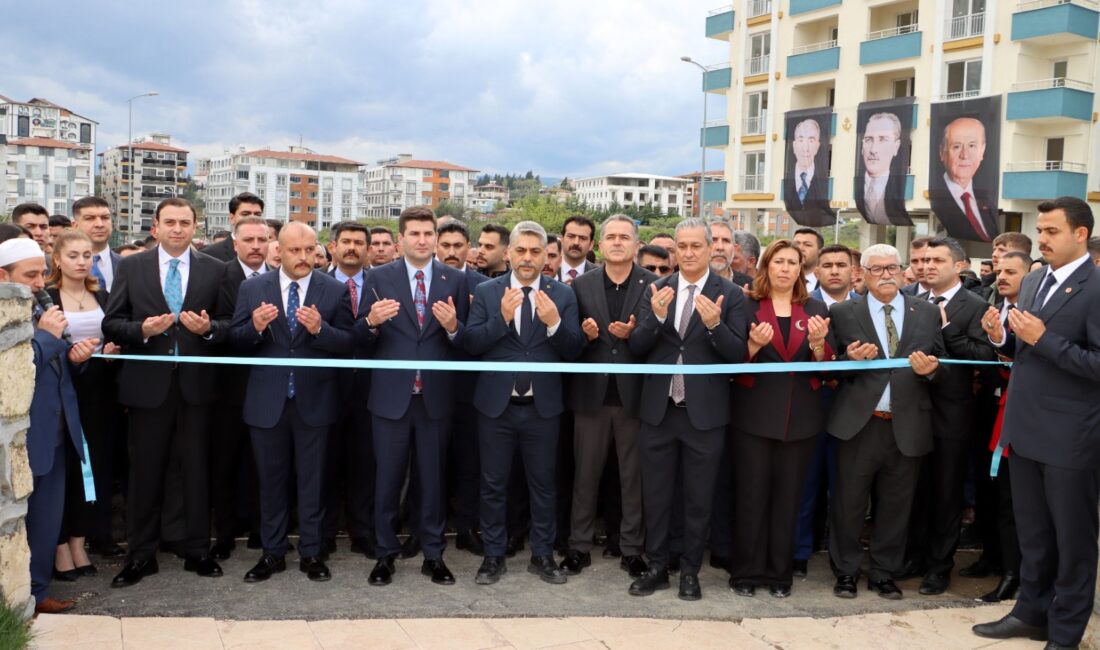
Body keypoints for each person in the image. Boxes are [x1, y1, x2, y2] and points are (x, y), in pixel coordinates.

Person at [974, 197, 1100, 648]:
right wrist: (1001, 338)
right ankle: (1031, 612)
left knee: (1073, 541)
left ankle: (1065, 633)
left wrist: (1042, 340)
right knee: (1034, 534)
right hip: (1024, 431)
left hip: (1071, 439)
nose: (1041, 239)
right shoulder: (1034, 281)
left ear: (1080, 233)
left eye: (1051, 231)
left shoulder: (1096, 286)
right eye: (1040, 230)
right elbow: (1023, 352)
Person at [103, 198, 231, 588]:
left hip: (196, 387)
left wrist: (206, 330)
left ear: (196, 227)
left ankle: (196, 549)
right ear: (156, 227)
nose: (178, 229)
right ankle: (141, 555)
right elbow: (112, 323)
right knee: (145, 472)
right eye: (170, 222)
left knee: (195, 470)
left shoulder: (216, 269)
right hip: (147, 387)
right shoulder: (132, 265)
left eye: (185, 222)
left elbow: (228, 325)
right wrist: (142, 331)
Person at [627, 218, 748, 601]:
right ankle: (658, 566)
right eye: (683, 246)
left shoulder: (731, 294)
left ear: (712, 248)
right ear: (674, 250)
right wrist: (657, 317)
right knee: (657, 496)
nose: (689, 252)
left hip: (705, 415)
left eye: (697, 245)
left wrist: (714, 325)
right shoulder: (656, 288)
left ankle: (690, 572)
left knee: (698, 498)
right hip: (659, 412)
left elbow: (736, 354)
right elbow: (637, 347)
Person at [229, 221, 355, 583]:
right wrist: (253, 326)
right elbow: (235, 341)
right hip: (267, 403)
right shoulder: (253, 288)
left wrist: (320, 330)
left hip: (314, 403)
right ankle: (273, 553)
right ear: (277, 250)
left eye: (310, 249)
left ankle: (312, 553)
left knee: (313, 482)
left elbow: (349, 343)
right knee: (270, 482)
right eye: (295, 250)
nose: (304, 257)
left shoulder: (333, 290)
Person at [464, 221, 584, 586]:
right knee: (493, 484)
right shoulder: (486, 292)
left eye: (536, 251)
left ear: (547, 254)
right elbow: (472, 344)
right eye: (521, 250)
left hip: (542, 408)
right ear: (508, 252)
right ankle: (493, 556)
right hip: (496, 408)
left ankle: (543, 555)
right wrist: (500, 318)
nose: (528, 258)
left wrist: (553, 324)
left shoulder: (562, 294)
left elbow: (574, 350)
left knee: (544, 484)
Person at [826, 243, 945, 600]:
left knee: (896, 505)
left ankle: (883, 573)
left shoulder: (925, 312)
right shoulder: (845, 312)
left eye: (892, 267)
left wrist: (930, 372)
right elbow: (830, 366)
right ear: (862, 274)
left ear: (902, 270)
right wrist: (848, 358)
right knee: (848, 503)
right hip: (859, 424)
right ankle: (845, 572)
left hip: (907, 424)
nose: (886, 275)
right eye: (877, 269)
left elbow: (941, 361)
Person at [359, 207, 469, 587]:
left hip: (435, 398)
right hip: (391, 398)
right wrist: (371, 321)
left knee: (433, 479)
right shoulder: (376, 277)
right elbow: (359, 337)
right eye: (415, 234)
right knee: (387, 479)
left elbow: (467, 341)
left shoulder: (455, 279)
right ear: (400, 239)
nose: (422, 240)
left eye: (428, 233)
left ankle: (434, 554)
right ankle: (384, 554)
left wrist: (454, 328)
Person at [728, 240, 834, 598]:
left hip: (801, 418)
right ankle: (745, 572)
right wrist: (753, 347)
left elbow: (829, 366)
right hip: (753, 416)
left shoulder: (815, 307)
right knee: (751, 496)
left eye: (793, 262)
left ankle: (779, 575)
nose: (786, 268)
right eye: (779, 261)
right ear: (767, 267)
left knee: (788, 499)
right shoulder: (745, 305)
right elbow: (729, 361)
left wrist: (819, 344)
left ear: (801, 270)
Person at [0, 238, 96, 615]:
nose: (41, 282)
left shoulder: (42, 305)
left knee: (46, 520)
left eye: (42, 272)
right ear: (3, 277)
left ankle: (38, 593)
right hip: (22, 440)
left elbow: (56, 365)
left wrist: (76, 358)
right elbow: (15, 369)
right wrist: (46, 337)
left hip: (57, 431)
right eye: (30, 275)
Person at [562, 215, 655, 579]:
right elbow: (568, 342)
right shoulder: (580, 286)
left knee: (634, 479)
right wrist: (585, 335)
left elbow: (656, 341)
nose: (617, 242)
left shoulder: (653, 284)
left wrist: (637, 333)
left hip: (635, 398)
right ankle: (578, 546)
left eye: (624, 237)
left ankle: (632, 549)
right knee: (585, 476)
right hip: (591, 397)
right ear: (599, 245)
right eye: (611, 237)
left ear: (636, 244)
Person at [902, 237, 996, 595]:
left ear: (958, 265)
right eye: (923, 260)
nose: (927, 266)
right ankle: (914, 556)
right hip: (912, 410)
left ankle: (939, 567)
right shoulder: (909, 300)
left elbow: (983, 356)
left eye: (937, 260)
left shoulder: (974, 306)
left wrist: (944, 328)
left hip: (952, 415)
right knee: (915, 490)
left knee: (946, 494)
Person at [46, 231, 121, 584]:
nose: (81, 261)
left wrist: (110, 352)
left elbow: (114, 335)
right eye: (73, 255)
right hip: (60, 394)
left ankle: (80, 541)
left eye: (87, 255)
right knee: (64, 470)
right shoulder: (45, 297)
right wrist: (71, 358)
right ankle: (60, 546)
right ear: (57, 259)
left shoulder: (102, 294)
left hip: (99, 393)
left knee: (94, 469)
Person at [966, 250, 1030, 603]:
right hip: (986, 408)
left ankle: (1013, 571)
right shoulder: (990, 307)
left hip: (1017, 413)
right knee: (987, 490)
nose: (1001, 276)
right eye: (999, 270)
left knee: (1010, 498)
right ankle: (991, 557)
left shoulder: (1032, 313)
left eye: (1011, 271)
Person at [791, 244, 858, 576]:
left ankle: (843, 558)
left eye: (841, 265)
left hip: (855, 410)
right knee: (805, 483)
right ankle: (800, 550)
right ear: (815, 271)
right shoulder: (805, 306)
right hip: (813, 405)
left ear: (853, 271)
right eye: (827, 265)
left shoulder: (866, 308)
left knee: (847, 488)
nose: (834, 270)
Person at [209, 216, 272, 559]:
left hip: (271, 386)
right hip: (229, 388)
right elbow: (218, 326)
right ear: (235, 243)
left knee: (264, 463)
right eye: (248, 240)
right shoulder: (220, 277)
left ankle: (263, 529)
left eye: (262, 240)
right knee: (226, 463)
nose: (255, 246)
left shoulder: (280, 278)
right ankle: (225, 534)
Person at [321, 221, 376, 559]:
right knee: (324, 465)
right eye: (346, 241)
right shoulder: (317, 284)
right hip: (326, 388)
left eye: (359, 242)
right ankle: (323, 534)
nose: (352, 247)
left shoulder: (381, 284)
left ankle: (363, 533)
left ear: (368, 249)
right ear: (332, 246)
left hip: (370, 389)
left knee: (366, 466)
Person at [436, 220, 490, 554]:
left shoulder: (483, 287)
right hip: (428, 390)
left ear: (469, 247)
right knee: (430, 464)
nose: (452, 252)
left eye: (459, 246)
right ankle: (426, 528)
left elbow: (483, 341)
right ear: (436, 246)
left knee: (470, 464)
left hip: (470, 393)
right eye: (446, 245)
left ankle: (468, 527)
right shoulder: (421, 283)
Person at [930, 117, 997, 242]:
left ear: (982, 150)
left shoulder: (987, 198)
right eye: (956, 146)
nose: (965, 155)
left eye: (972, 146)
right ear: (942, 152)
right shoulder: (937, 195)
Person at [856, 113, 907, 226]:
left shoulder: (898, 187)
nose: (873, 150)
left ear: (896, 146)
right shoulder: (854, 187)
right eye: (869, 139)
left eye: (883, 139)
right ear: (862, 146)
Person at [784, 118, 832, 224]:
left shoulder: (822, 179)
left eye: (811, 140)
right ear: (794, 145)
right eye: (801, 140)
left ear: (817, 146)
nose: (805, 148)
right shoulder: (787, 177)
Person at [203, 193, 265, 262]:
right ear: (232, 218)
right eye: (245, 214)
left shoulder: (271, 252)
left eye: (257, 214)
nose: (252, 218)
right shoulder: (209, 255)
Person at [708, 218, 752, 287]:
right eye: (713, 240)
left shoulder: (751, 286)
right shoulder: (689, 282)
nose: (720, 247)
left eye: (726, 241)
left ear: (734, 248)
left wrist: (746, 298)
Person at [558, 215, 598, 284]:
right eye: (571, 236)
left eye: (583, 238)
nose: (576, 243)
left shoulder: (600, 276)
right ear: (562, 240)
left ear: (591, 244)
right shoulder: (546, 270)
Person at [793, 228, 823, 293]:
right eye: (796, 244)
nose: (800, 248)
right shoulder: (779, 279)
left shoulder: (826, 283)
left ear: (819, 251)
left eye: (807, 245)